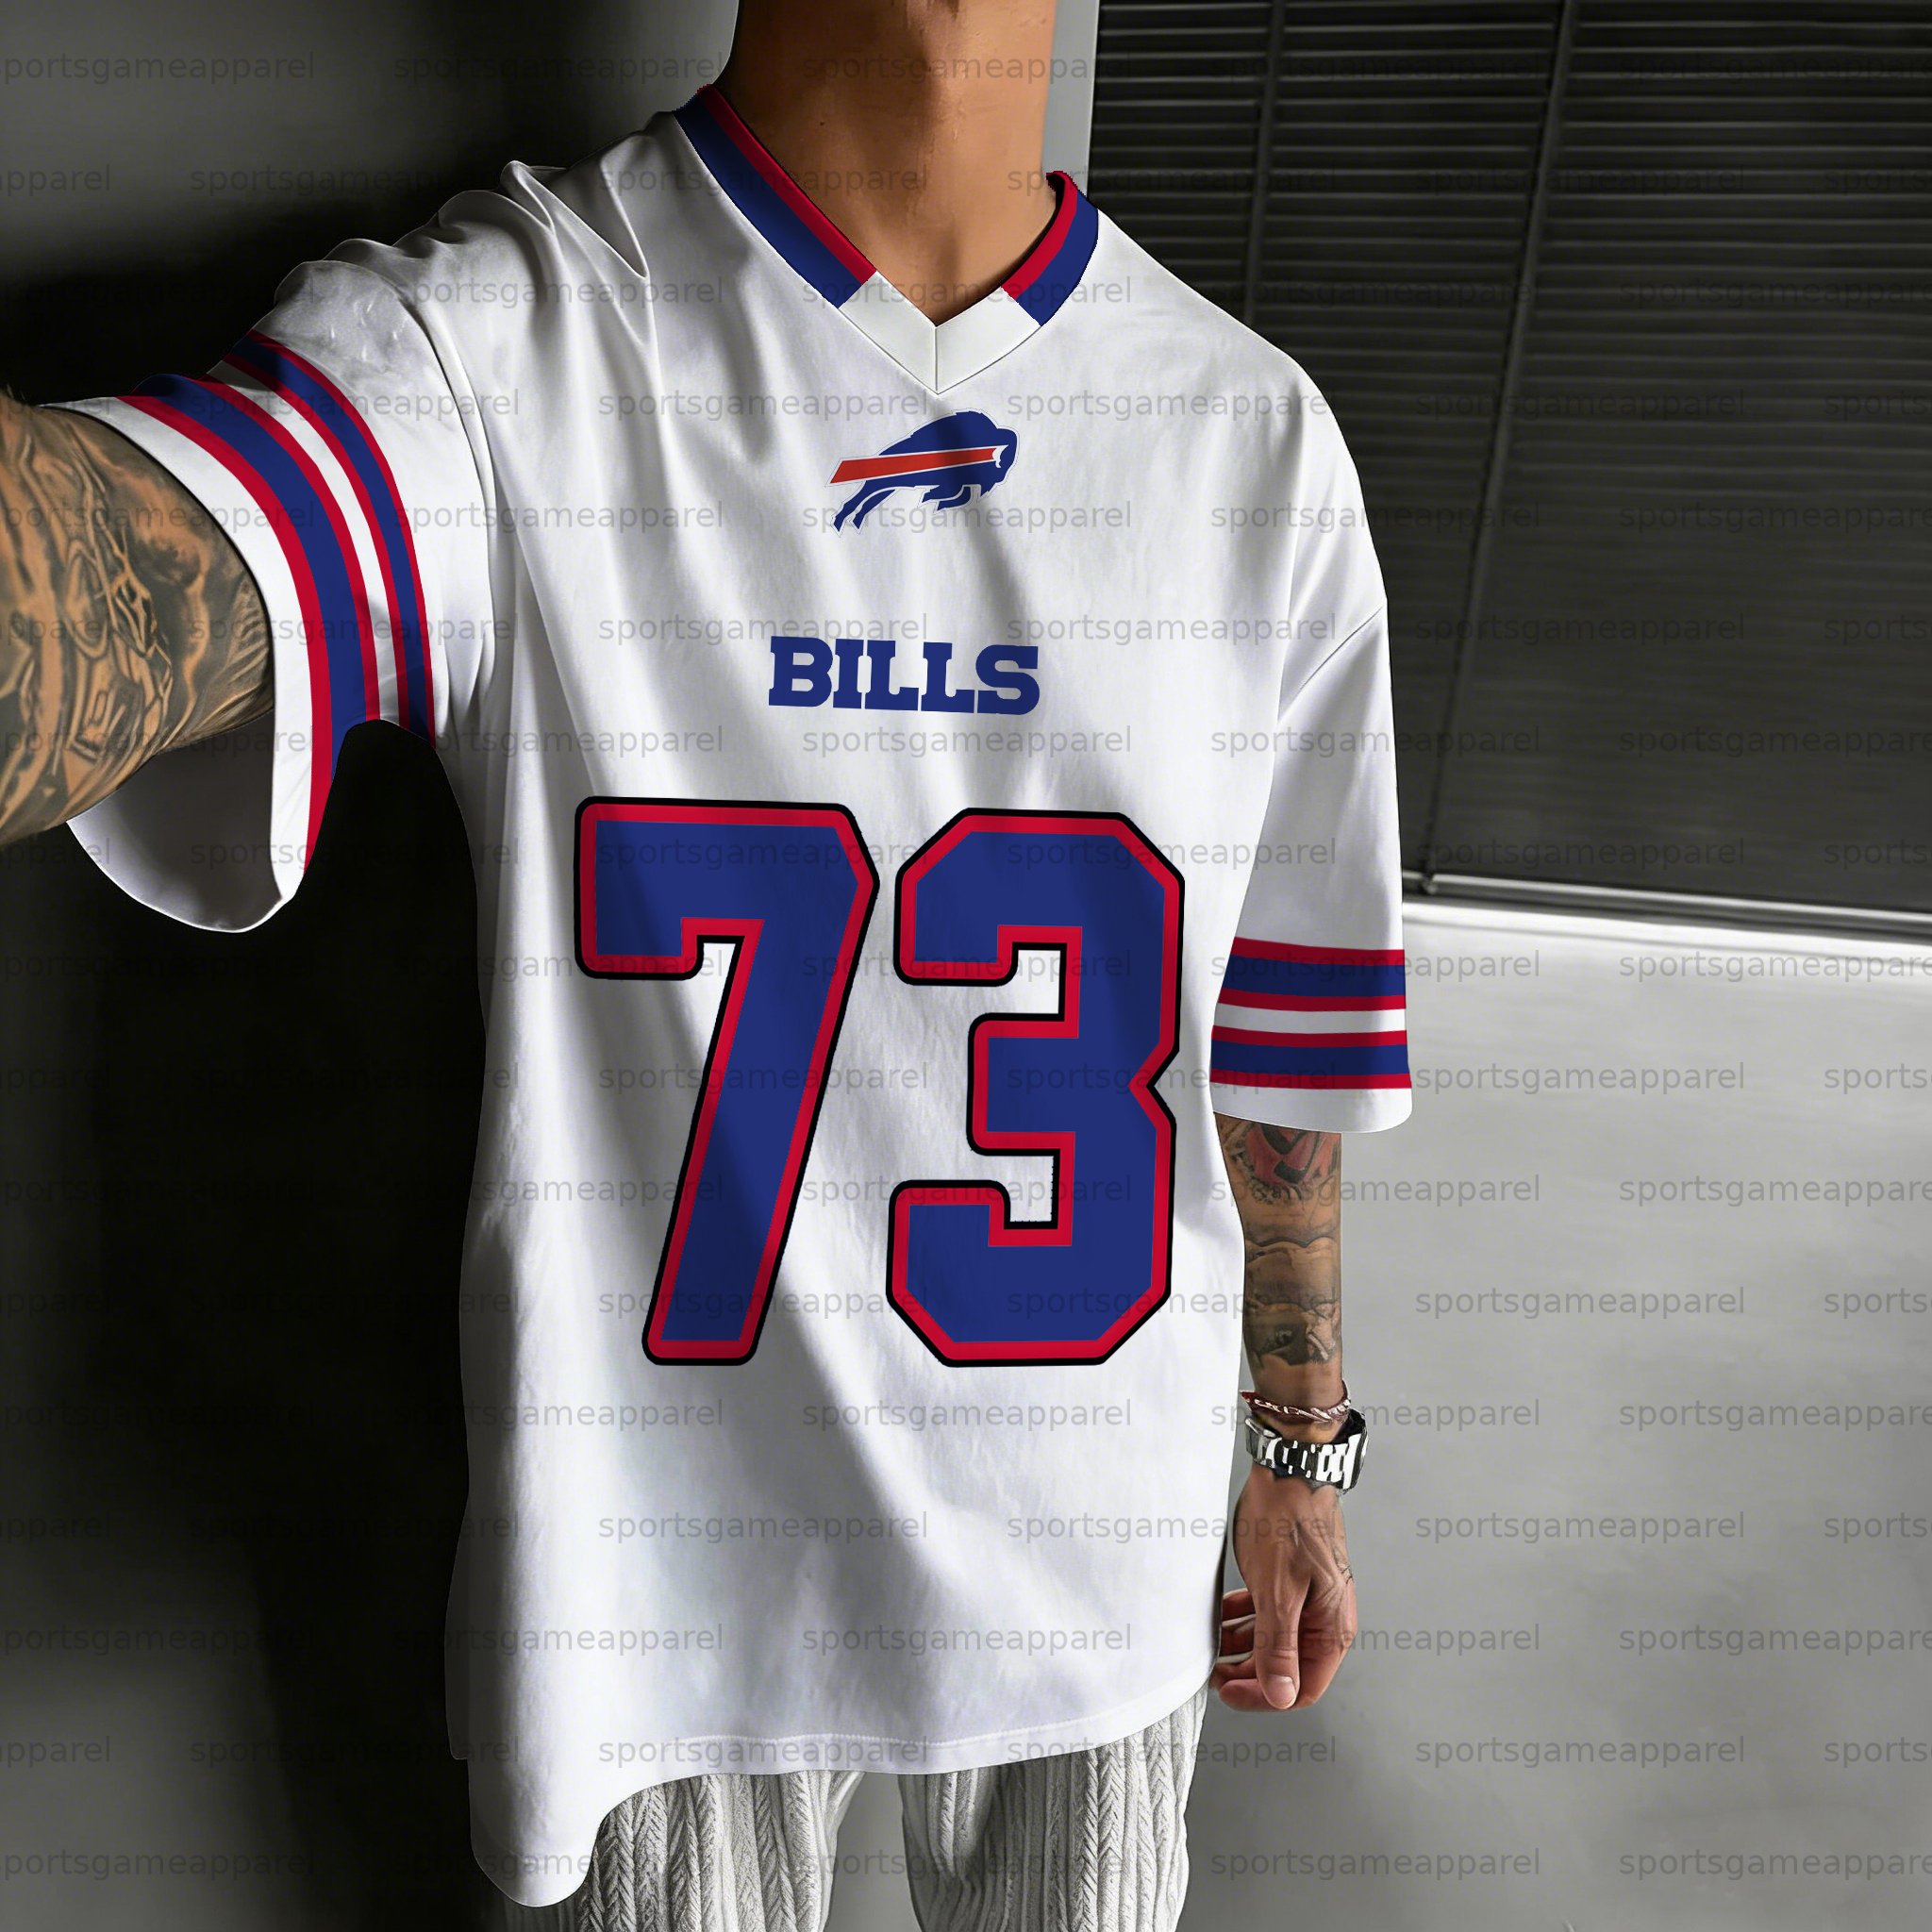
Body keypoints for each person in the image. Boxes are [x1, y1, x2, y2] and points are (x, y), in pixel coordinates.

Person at [0, 2, 1410, 1925]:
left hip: (1105, 1552)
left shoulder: (1252, 439)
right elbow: (111, 575)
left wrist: (1303, 1445)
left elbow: (1279, 1048)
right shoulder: (502, 349)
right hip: (672, 1601)